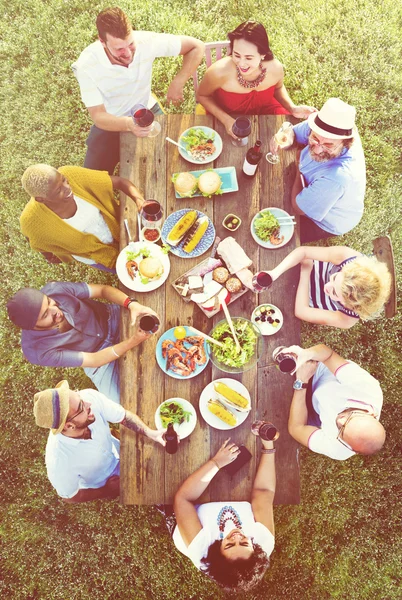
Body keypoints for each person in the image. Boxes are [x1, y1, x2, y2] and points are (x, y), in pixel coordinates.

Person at [72, 6, 204, 174]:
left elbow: (196, 46)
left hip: (146, 109)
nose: (128, 53)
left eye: (130, 44)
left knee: (174, 160)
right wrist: (128, 124)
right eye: (119, 49)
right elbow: (98, 116)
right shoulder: (86, 65)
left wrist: (178, 81)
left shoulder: (146, 41)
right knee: (91, 180)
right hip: (111, 120)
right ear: (102, 41)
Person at [7, 282, 158, 403]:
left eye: (49, 302)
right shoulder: (36, 351)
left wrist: (131, 304)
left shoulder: (55, 289)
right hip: (97, 359)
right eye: (46, 314)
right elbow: (93, 360)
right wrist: (133, 341)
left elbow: (103, 290)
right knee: (124, 403)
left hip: (111, 318)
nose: (56, 311)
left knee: (155, 316)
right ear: (32, 327)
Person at [172, 434, 276, 592]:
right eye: (244, 543)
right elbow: (264, 491)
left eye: (229, 545)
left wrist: (216, 463)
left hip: (187, 516)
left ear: (217, 553)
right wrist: (268, 447)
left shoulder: (201, 549)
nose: (236, 537)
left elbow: (183, 499)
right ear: (254, 547)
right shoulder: (264, 541)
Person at [33, 380, 165, 502]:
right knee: (152, 491)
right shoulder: (59, 463)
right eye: (81, 407)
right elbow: (70, 496)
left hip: (117, 447)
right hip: (110, 479)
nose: (88, 403)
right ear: (69, 426)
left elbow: (123, 417)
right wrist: (107, 490)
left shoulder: (89, 397)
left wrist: (151, 433)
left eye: (79, 397)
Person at [196, 21, 316, 139]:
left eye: (249, 57)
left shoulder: (275, 68)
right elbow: (202, 96)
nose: (241, 63)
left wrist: (292, 107)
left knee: (290, 136)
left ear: (263, 54)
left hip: (266, 111)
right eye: (236, 55)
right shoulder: (219, 71)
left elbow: (278, 88)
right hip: (227, 116)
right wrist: (226, 120)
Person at [270, 97, 366, 243]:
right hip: (316, 186)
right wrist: (287, 138)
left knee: (277, 233)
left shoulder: (338, 178)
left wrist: (298, 170)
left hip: (329, 221)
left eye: (328, 145)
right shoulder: (326, 129)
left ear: (345, 143)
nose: (318, 148)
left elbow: (298, 207)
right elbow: (294, 132)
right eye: (314, 138)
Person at [20, 164, 145, 270]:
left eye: (63, 180)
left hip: (120, 228)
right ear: (41, 199)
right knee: (129, 272)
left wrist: (140, 201)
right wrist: (50, 255)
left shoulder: (72, 175)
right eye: (59, 191)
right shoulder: (33, 221)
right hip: (96, 255)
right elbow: (35, 241)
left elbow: (119, 182)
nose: (68, 188)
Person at [284, 343, 385, 460]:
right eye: (349, 418)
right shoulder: (366, 387)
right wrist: (305, 355)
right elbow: (328, 355)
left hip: (315, 409)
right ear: (371, 414)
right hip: (317, 373)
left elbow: (296, 428)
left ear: (352, 449)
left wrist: (301, 382)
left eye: (341, 432)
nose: (339, 420)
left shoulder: (340, 450)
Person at [265, 245, 391, 328]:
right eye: (335, 277)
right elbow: (303, 251)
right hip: (297, 265)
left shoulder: (348, 319)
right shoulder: (348, 257)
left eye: (334, 293)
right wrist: (274, 273)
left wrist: (306, 271)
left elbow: (301, 311)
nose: (327, 286)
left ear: (351, 305)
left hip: (300, 296)